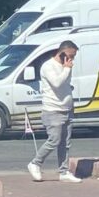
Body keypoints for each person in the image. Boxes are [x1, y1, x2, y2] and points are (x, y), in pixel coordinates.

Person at [28, 40, 82, 184]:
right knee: (54, 140)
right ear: (62, 52)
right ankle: (35, 163)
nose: (72, 59)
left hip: (67, 108)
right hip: (53, 109)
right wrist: (66, 68)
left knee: (65, 142)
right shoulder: (48, 66)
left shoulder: (66, 67)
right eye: (71, 55)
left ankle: (64, 171)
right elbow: (57, 83)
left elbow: (64, 84)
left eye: (74, 56)